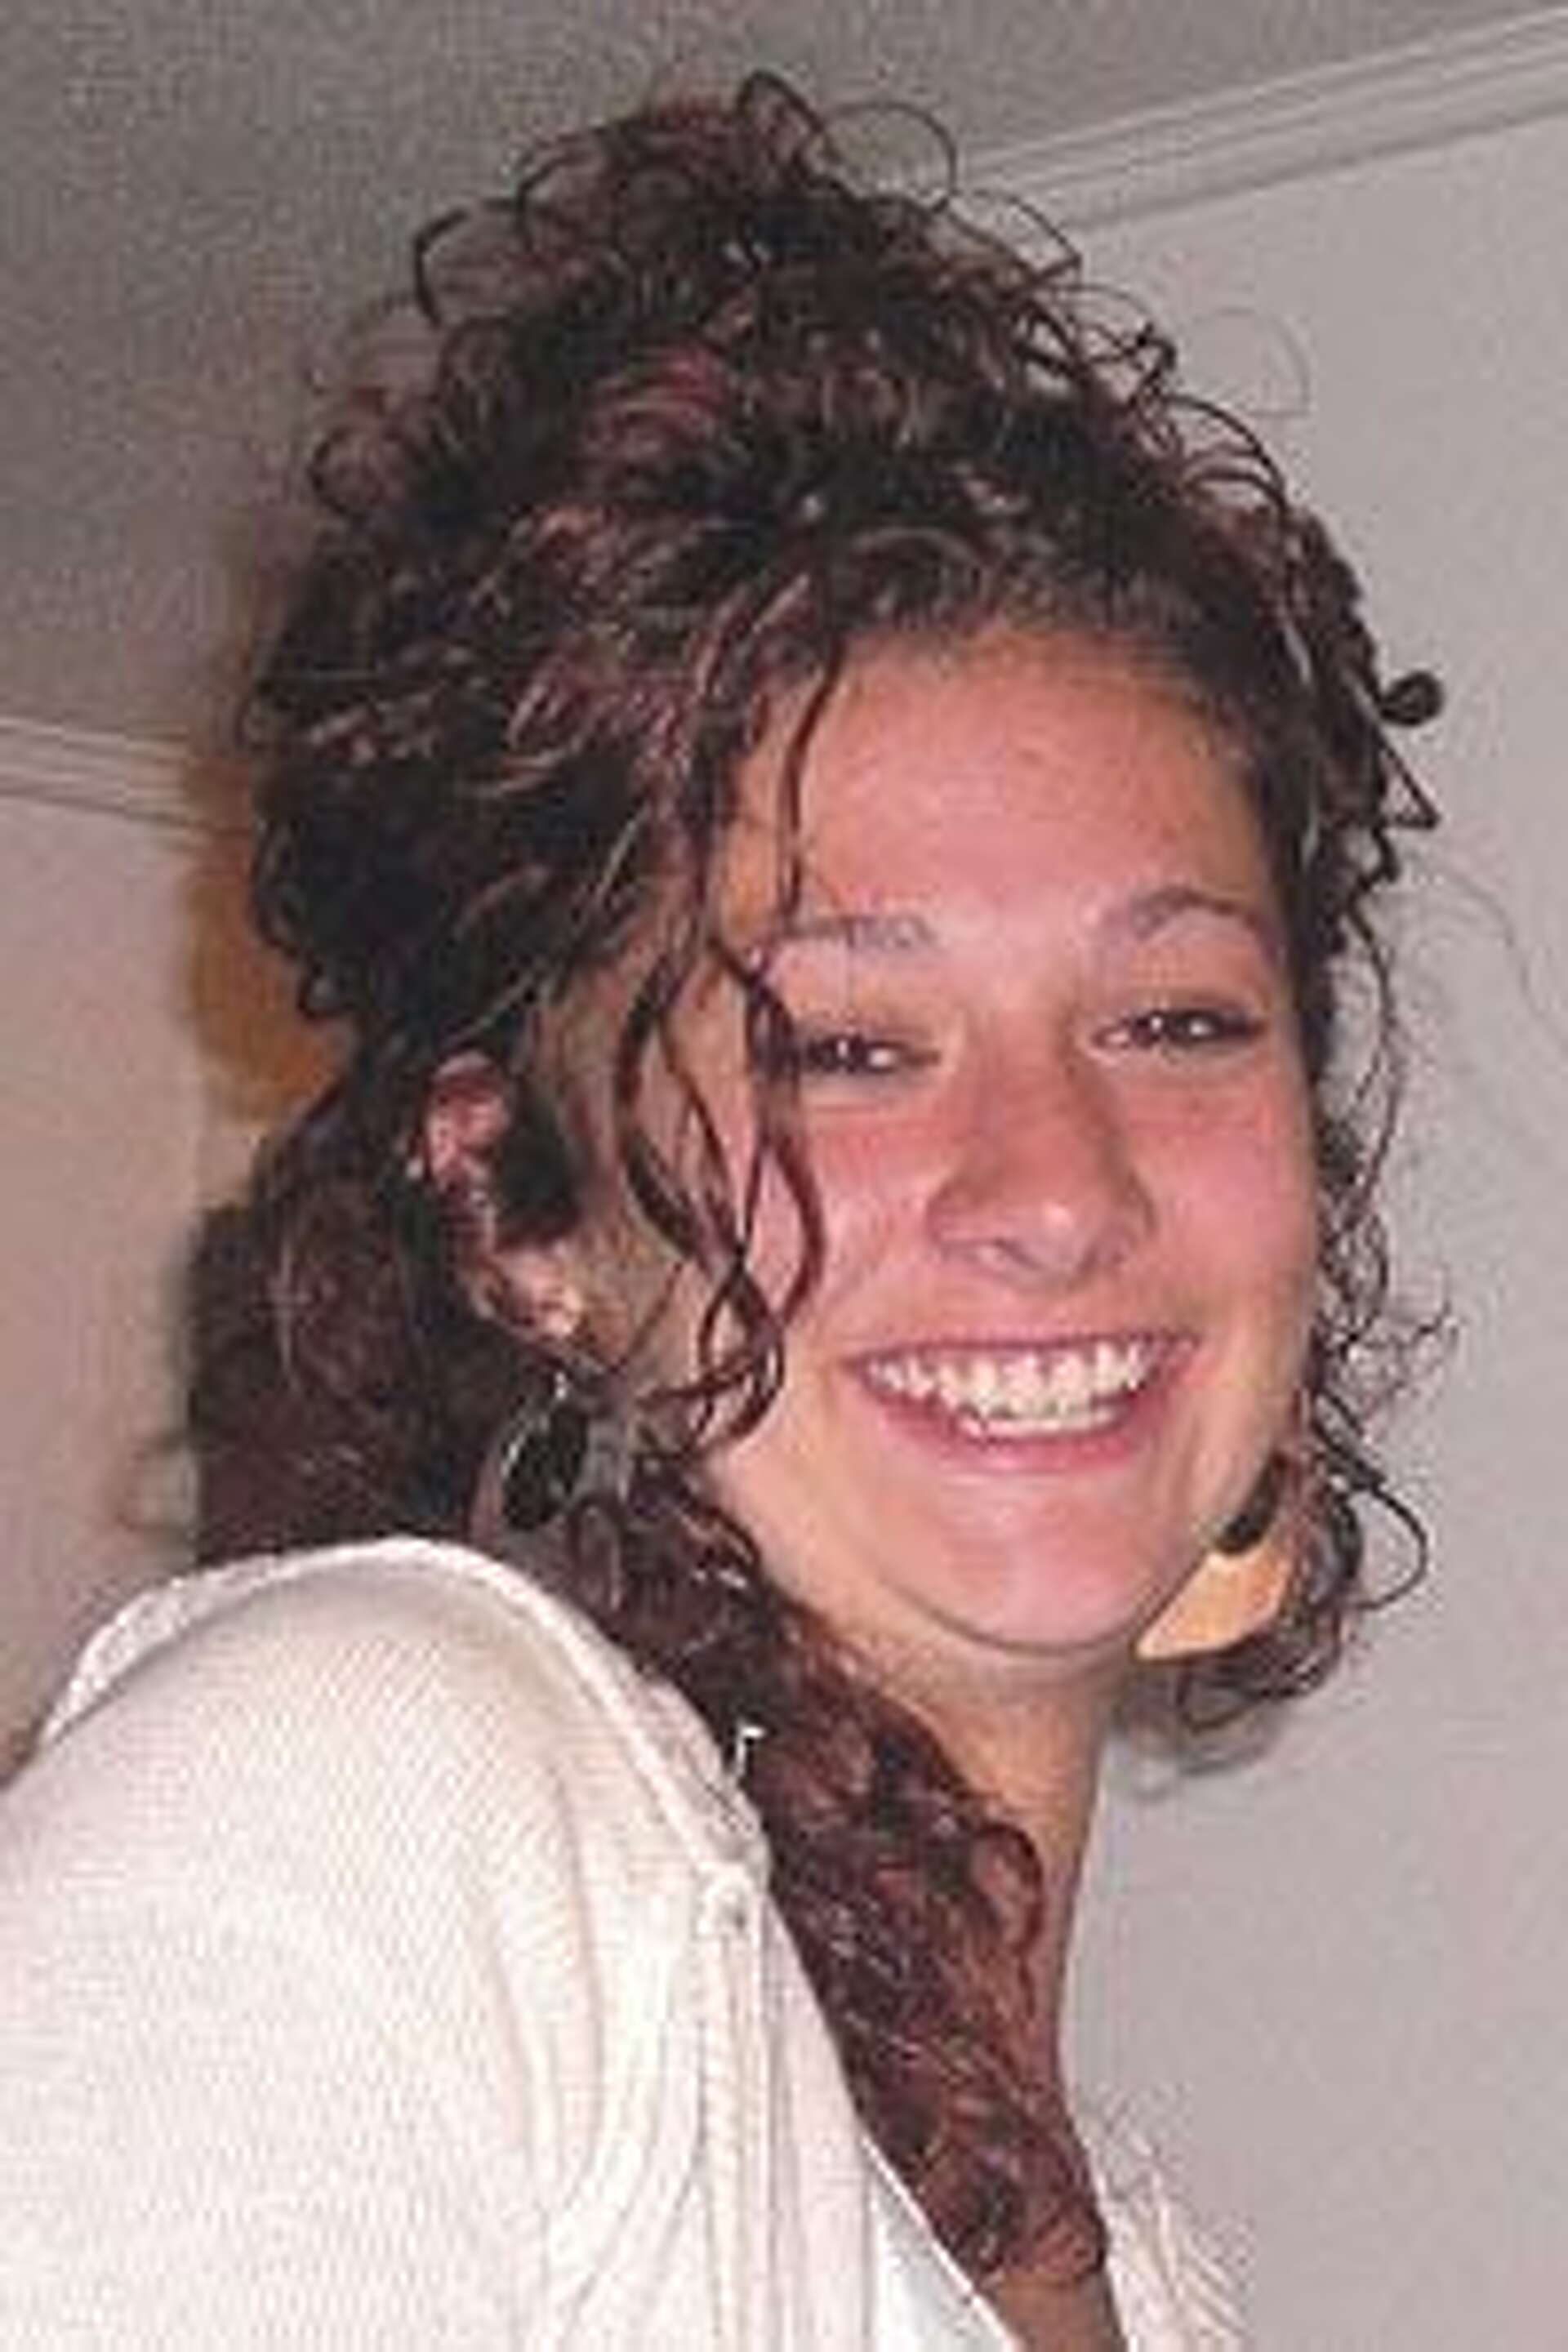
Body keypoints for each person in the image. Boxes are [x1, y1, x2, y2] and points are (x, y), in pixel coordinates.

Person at [0, 74, 1438, 2348]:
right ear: (516, 1216)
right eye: (843, 1048)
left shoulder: (1131, 2270)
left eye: (1175, 1020)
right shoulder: (369, 1787)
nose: (1057, 1190)